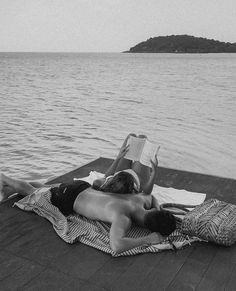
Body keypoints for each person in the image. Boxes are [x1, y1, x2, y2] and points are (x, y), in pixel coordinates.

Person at [0, 172, 176, 254]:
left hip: (82, 187)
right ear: (147, 226)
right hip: (70, 199)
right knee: (34, 192)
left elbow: (151, 197)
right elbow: (117, 246)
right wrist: (148, 239)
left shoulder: (139, 200)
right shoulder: (123, 219)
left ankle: (7, 191)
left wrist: (161, 210)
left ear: (153, 210)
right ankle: (5, 179)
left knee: (46, 188)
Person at [93, 133, 158, 195]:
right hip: (138, 177)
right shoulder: (132, 195)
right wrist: (154, 172)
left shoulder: (102, 184)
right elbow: (147, 192)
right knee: (142, 138)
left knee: (131, 137)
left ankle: (122, 166)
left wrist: (118, 158)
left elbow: (106, 176)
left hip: (120, 173)